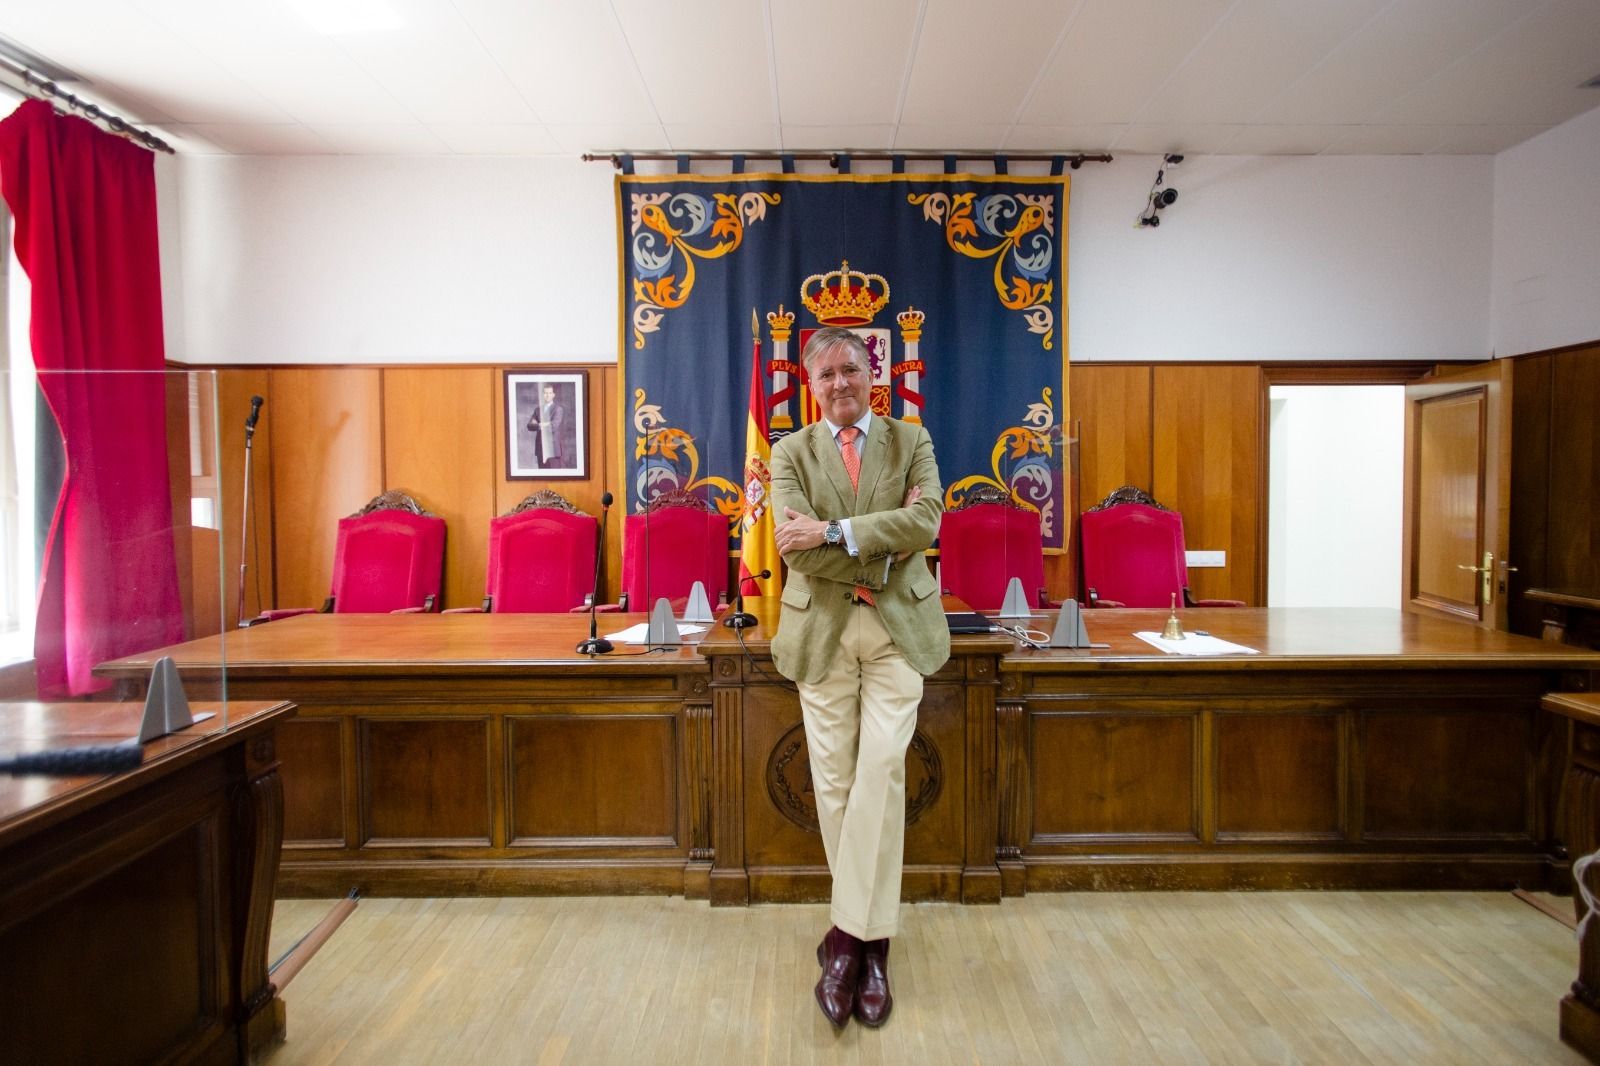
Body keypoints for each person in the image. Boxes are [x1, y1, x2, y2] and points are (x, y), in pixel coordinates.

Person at [770, 326, 949, 1030]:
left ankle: (845, 941)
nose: (840, 383)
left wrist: (834, 532)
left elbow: (927, 520)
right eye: (826, 376)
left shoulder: (913, 441)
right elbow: (796, 551)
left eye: (851, 369)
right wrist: (884, 540)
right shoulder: (790, 451)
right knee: (837, 784)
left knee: (880, 773)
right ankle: (874, 945)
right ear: (811, 387)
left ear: (872, 371)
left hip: (899, 632)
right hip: (821, 632)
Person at [526, 383, 571, 468]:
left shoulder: (558, 409)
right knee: (542, 478)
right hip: (540, 448)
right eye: (545, 393)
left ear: (553, 395)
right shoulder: (538, 410)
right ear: (543, 395)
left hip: (552, 449)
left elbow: (554, 426)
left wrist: (538, 424)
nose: (547, 395)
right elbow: (529, 426)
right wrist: (542, 424)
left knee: (554, 477)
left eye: (550, 393)